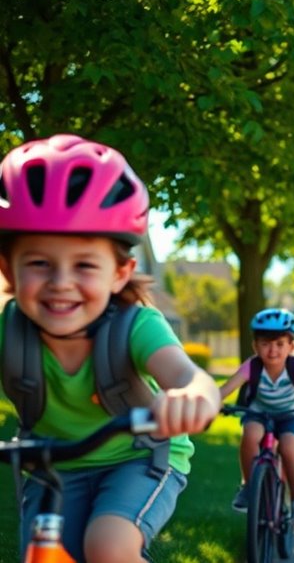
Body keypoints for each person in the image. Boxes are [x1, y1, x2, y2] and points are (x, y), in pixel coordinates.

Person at [0, 134, 221, 562]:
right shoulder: (9, 331)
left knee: (108, 546)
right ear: (8, 267)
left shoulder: (135, 325)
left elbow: (187, 375)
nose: (60, 281)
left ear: (120, 272)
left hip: (137, 458)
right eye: (39, 263)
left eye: (84, 264)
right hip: (52, 467)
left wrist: (193, 396)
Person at [218, 307, 294, 527]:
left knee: (288, 447)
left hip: (292, 414)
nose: (272, 350)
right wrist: (214, 402)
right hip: (260, 412)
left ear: (291, 346)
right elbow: (225, 389)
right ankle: (249, 486)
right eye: (265, 344)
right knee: (250, 435)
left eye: (280, 344)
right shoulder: (252, 366)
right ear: (255, 346)